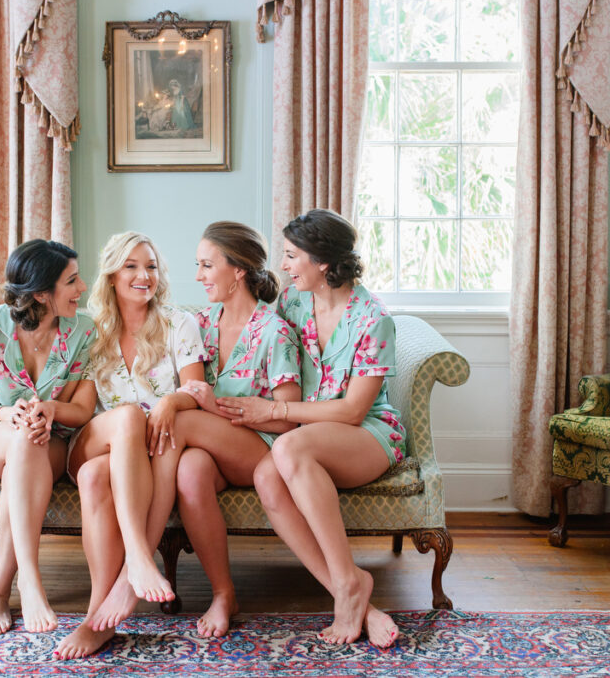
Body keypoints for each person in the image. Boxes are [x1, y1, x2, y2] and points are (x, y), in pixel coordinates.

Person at [238, 209, 404, 648]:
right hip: (306, 433)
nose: (286, 266)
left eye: (293, 256)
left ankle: (348, 584)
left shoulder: (374, 319)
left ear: (323, 263)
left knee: (288, 451)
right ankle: (350, 591)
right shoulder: (293, 303)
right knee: (265, 475)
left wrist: (273, 413)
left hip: (367, 434)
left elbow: (352, 411)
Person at [55, 232, 206, 659]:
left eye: (152, 266)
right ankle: (139, 557)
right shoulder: (88, 329)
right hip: (95, 437)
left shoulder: (180, 324)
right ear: (112, 274)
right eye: (132, 266)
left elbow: (196, 389)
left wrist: (172, 401)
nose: (144, 275)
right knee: (125, 418)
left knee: (94, 476)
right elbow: (74, 402)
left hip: (141, 453)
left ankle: (96, 618)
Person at [0, 239, 96, 637]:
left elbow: (80, 411)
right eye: (73, 281)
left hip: (50, 439)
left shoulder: (84, 330)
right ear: (42, 294)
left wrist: (49, 410)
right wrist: (8, 414)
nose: (83, 289)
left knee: (26, 444)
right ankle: (28, 579)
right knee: (20, 438)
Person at [173, 221, 303, 638]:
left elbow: (290, 418)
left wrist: (214, 406)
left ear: (239, 271)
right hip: (208, 450)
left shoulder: (274, 332)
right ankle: (223, 592)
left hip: (260, 451)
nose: (198, 276)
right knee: (190, 470)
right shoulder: (198, 323)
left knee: (181, 419)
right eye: (199, 265)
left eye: (207, 265)